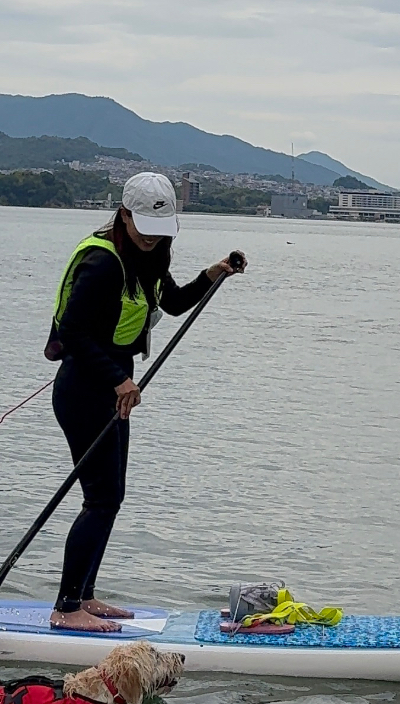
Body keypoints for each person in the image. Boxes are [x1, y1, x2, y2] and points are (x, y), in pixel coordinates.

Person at [44, 172, 246, 632]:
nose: (153, 239)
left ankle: (85, 596)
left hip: (114, 389)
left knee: (111, 498)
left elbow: (172, 303)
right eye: (145, 230)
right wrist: (118, 379)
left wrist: (214, 274)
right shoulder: (101, 262)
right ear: (124, 216)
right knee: (100, 499)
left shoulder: (145, 255)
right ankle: (66, 607)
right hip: (85, 388)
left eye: (161, 232)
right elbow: (73, 332)